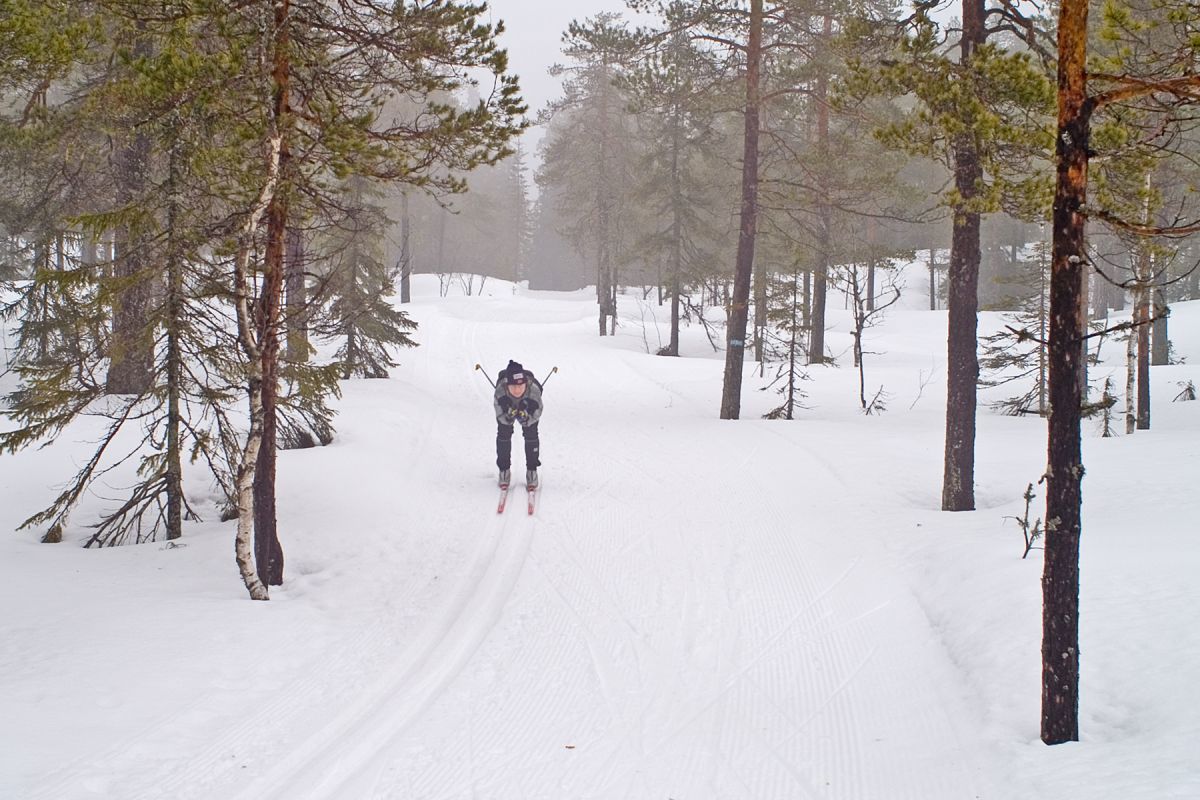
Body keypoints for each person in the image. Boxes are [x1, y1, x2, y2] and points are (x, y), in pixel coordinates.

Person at [494, 360, 542, 488]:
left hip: (527, 411)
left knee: (531, 434)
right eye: (513, 386)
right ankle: (504, 470)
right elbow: (499, 415)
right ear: (507, 385)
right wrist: (509, 415)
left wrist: (526, 417)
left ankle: (532, 470)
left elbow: (537, 413)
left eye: (521, 386)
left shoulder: (534, 391)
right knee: (503, 434)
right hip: (507, 410)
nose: (517, 390)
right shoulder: (500, 392)